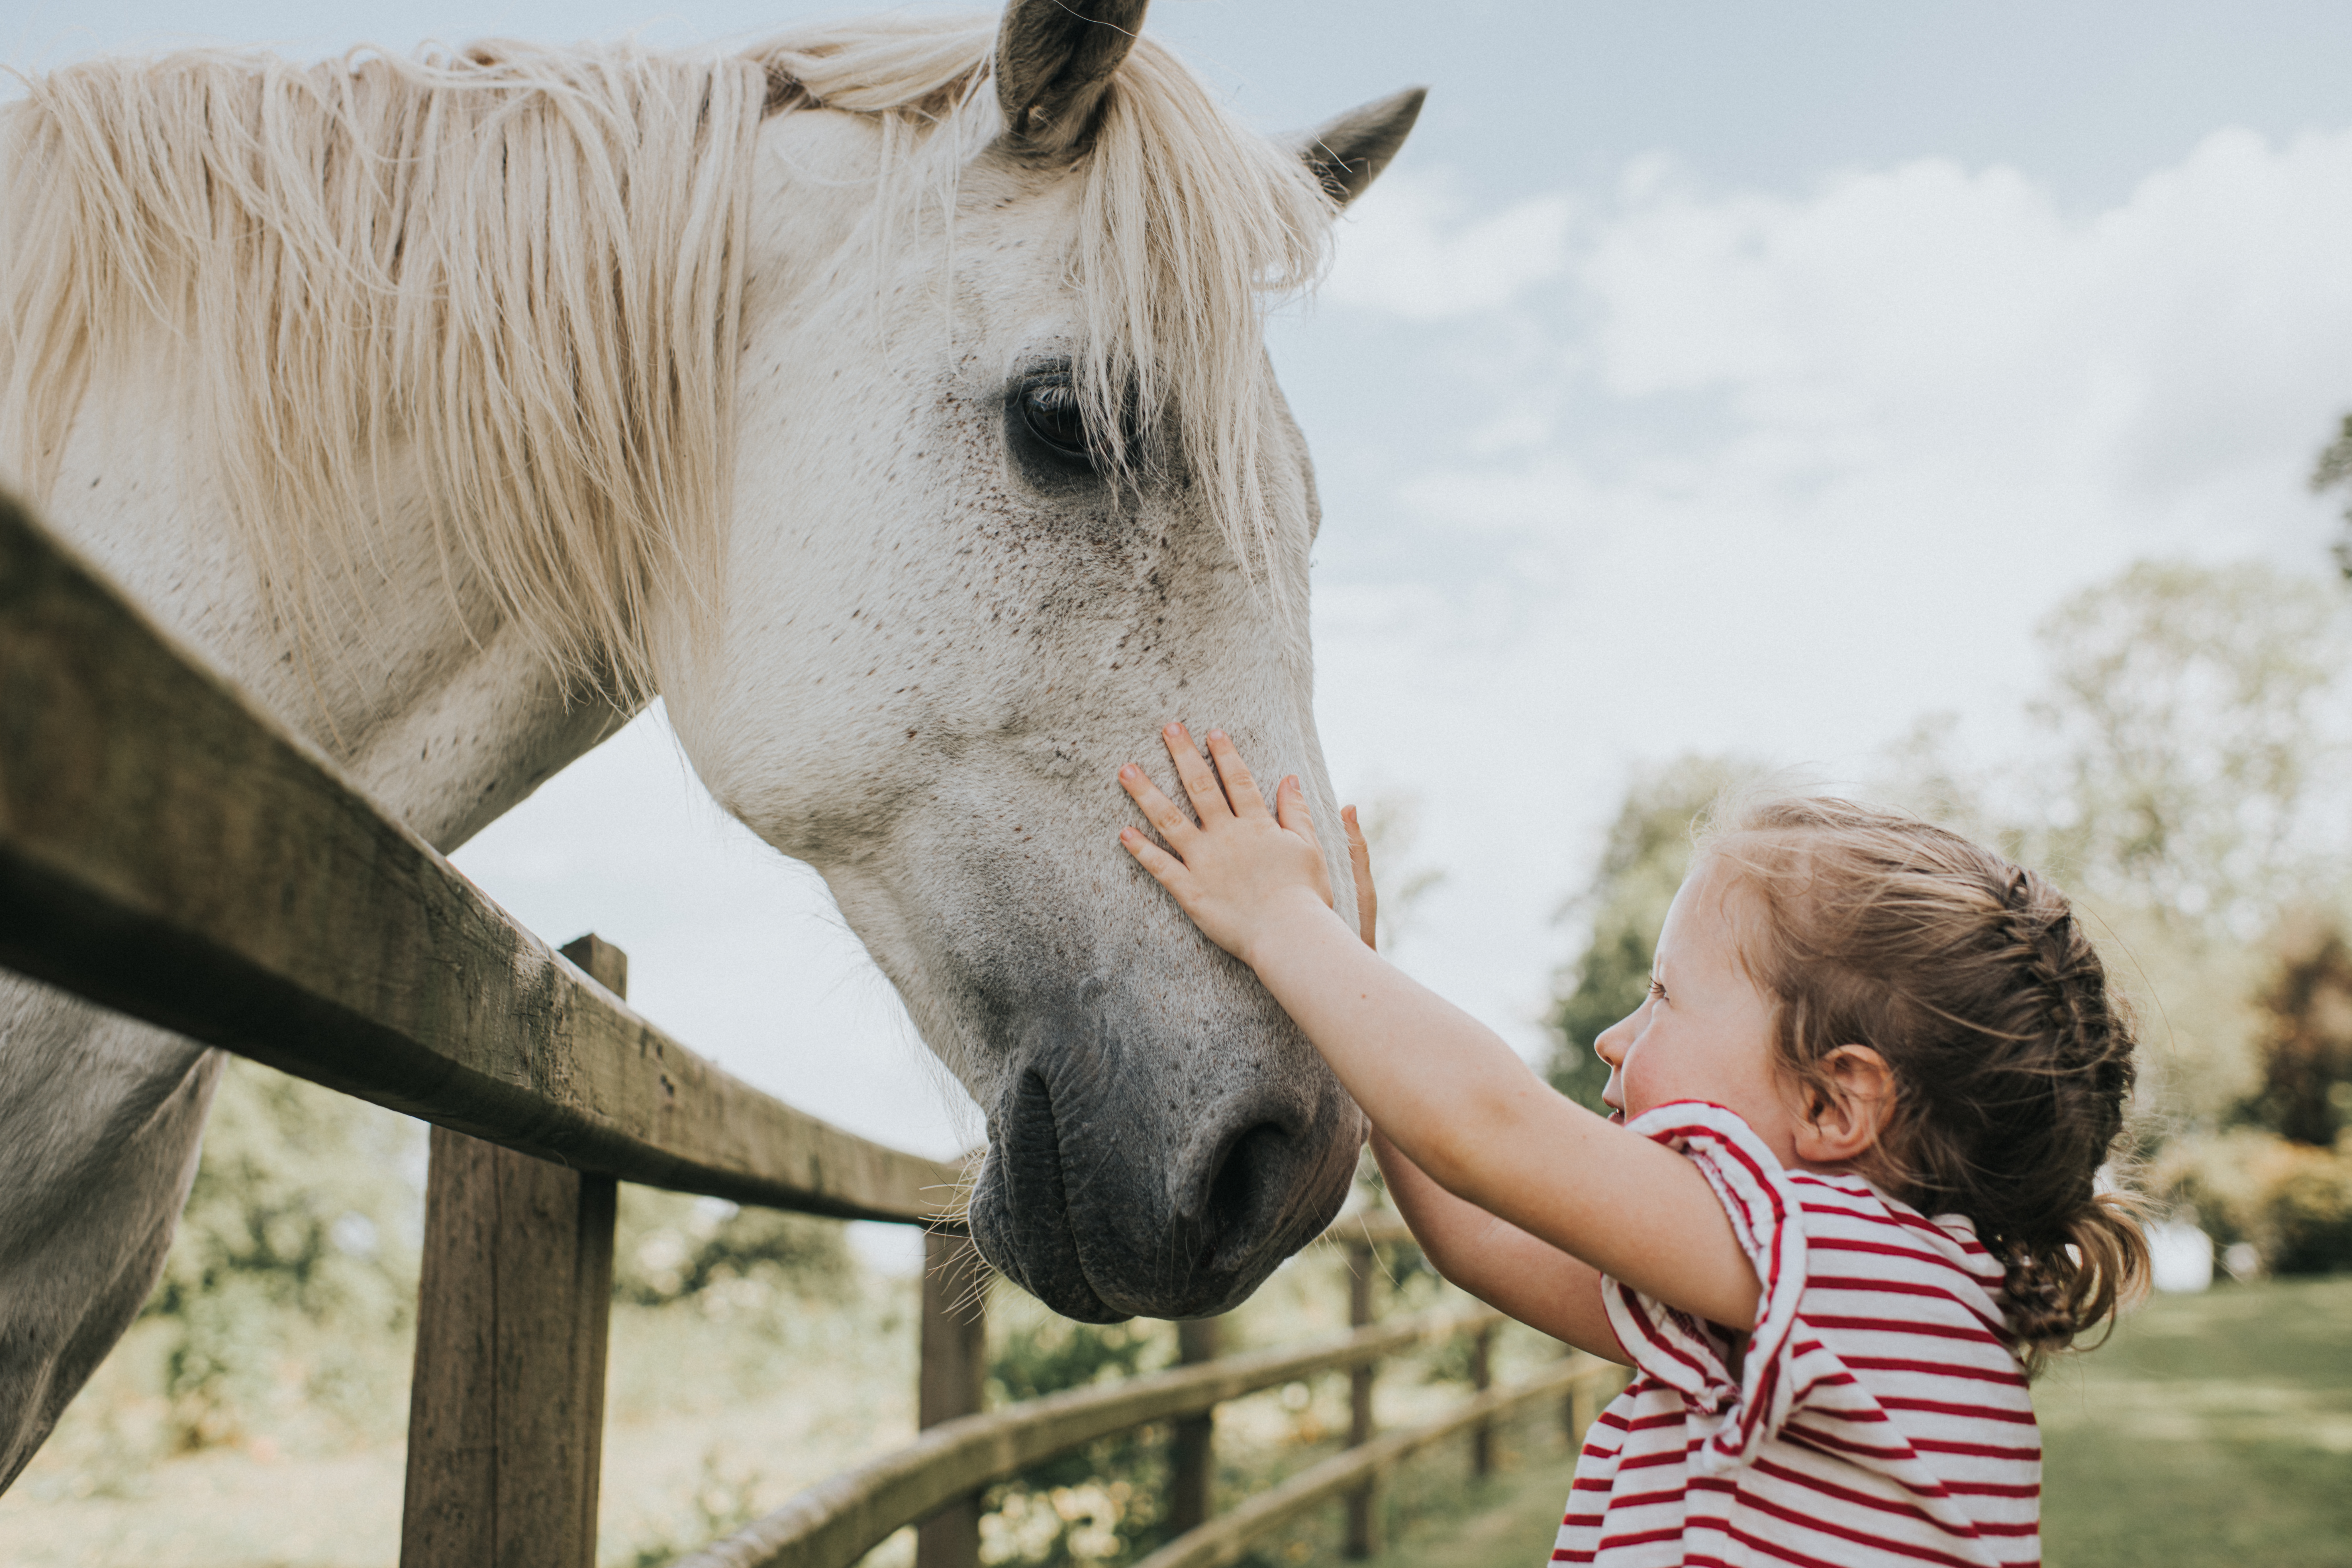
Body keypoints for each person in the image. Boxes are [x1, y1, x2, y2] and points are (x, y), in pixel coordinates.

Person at [1116, 723, 2147, 1568]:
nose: (1615, 1038)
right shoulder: (1781, 1306)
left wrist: (1281, 920)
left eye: (1662, 998)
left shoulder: (1843, 1265)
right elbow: (1483, 1233)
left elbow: (1488, 1132)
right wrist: (1345, 1007)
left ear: (1836, 1106)